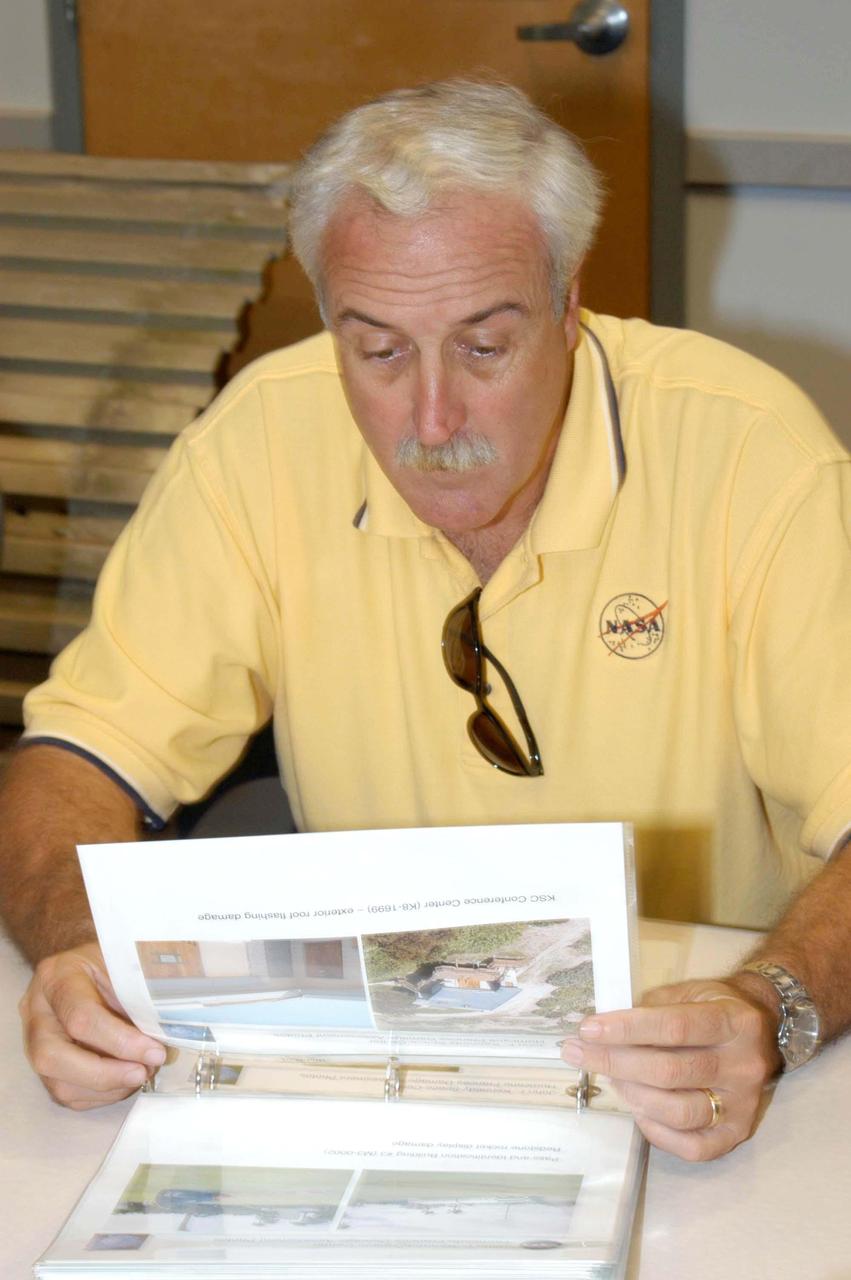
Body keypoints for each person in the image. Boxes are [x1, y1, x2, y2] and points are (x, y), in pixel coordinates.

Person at [0, 80, 849, 1162]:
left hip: (697, 1078)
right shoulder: (260, 439)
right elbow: (72, 759)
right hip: (380, 1072)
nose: (431, 420)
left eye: (484, 347)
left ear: (566, 302)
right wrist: (79, 951)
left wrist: (769, 1006)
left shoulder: (751, 457)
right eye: (378, 350)